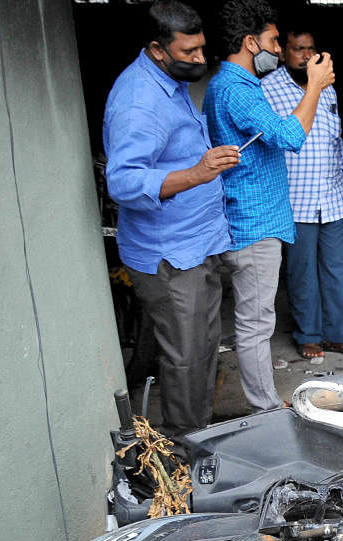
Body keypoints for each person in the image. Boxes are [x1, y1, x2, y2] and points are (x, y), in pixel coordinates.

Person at [103, 0, 237, 435]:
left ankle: (198, 428)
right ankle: (185, 447)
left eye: (202, 49)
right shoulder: (139, 102)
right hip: (171, 256)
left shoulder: (168, 80)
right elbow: (123, 182)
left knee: (201, 348)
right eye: (189, 53)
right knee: (185, 355)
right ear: (158, 49)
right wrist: (197, 172)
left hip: (197, 243)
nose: (200, 59)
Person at [204, 0, 336, 411]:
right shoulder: (235, 89)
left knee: (256, 320)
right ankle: (265, 408)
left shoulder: (233, 87)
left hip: (257, 216)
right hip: (253, 221)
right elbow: (289, 135)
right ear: (249, 42)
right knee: (256, 324)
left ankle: (264, 402)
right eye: (273, 41)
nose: (278, 50)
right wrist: (313, 85)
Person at [262, 28, 343, 365]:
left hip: (331, 195)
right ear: (283, 52)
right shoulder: (268, 88)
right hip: (295, 199)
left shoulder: (328, 86)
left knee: (336, 269)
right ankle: (308, 336)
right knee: (302, 272)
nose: (305, 56)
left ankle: (337, 335)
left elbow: (336, 140)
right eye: (297, 49)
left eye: (310, 49)